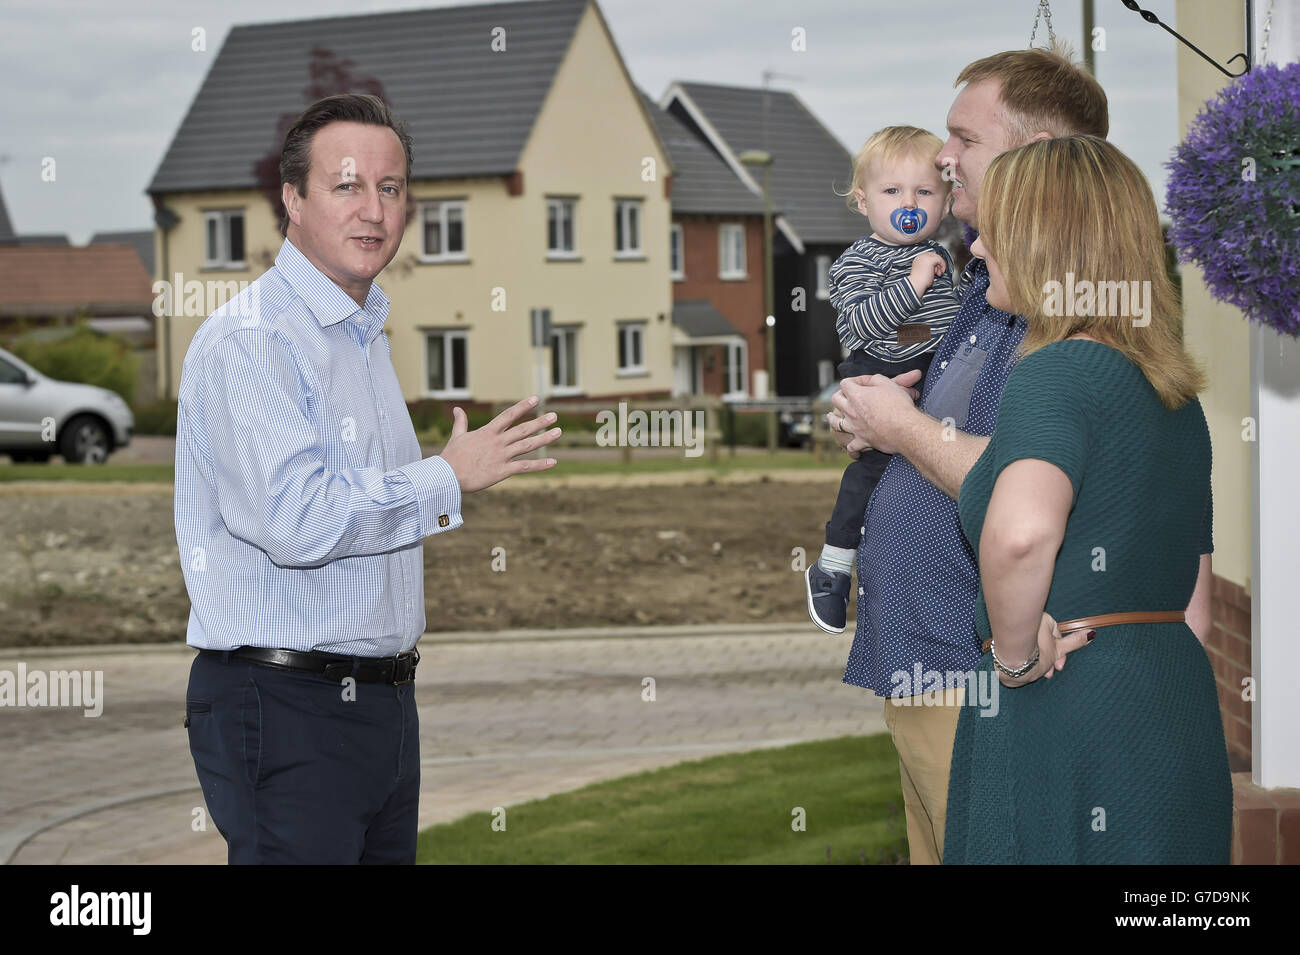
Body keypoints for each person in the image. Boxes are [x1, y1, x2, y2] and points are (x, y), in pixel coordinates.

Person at [174, 93, 562, 864]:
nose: (375, 209)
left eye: (391, 188)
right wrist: (443, 478)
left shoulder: (361, 334)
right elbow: (298, 520)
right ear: (292, 197)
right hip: (285, 706)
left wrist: (437, 481)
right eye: (347, 185)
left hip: (380, 704)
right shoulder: (253, 343)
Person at [824, 45, 1120, 865]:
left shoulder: (1061, 308)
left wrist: (905, 432)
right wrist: (876, 419)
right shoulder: (982, 287)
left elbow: (1024, 484)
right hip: (918, 666)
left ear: (1035, 154)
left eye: (964, 139)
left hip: (983, 679)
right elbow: (939, 430)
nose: (942, 158)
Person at [941, 135, 1231, 863]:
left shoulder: (1059, 372)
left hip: (1060, 702)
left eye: (992, 231)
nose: (976, 249)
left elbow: (1019, 533)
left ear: (1044, 241)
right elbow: (1195, 603)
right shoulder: (1172, 392)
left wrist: (1012, 656)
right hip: (1170, 707)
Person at [805, 126, 960, 635]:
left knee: (929, 469)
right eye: (892, 191)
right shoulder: (858, 261)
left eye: (924, 191)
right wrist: (916, 280)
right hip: (879, 373)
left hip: (934, 376)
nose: (908, 202)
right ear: (863, 201)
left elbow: (948, 324)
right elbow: (862, 326)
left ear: (945, 201)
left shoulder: (951, 257)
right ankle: (832, 566)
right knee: (869, 473)